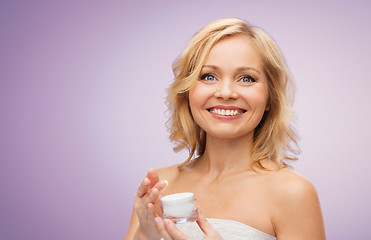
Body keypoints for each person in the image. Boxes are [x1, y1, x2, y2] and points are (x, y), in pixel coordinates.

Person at [125, 18, 326, 240]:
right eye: (209, 76)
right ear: (187, 92)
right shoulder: (160, 186)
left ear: (270, 97)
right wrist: (144, 235)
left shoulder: (293, 193)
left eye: (247, 78)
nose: (226, 92)